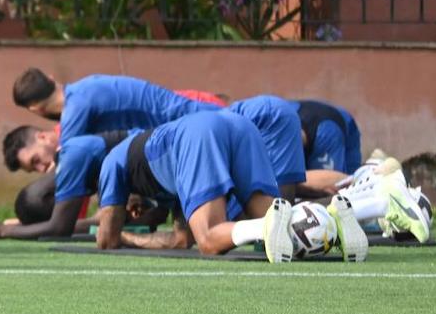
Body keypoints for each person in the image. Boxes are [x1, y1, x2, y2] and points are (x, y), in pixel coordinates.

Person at [92, 110, 369, 262]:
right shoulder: (167, 181)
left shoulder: (112, 162)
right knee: (274, 217)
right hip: (238, 126)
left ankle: (265, 226)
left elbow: (106, 240)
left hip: (197, 134)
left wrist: (124, 234)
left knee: (210, 238)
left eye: (130, 211)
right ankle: (335, 218)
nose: (135, 213)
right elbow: (180, 240)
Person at [0, 128, 148, 240]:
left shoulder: (70, 158)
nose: (42, 168)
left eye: (36, 160)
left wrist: (2, 230)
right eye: (34, 168)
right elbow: (99, 221)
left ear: (49, 196)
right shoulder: (92, 177)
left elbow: (60, 228)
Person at [12, 70, 220, 144]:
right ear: (51, 78)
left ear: (35, 109)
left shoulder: (75, 108)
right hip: (181, 117)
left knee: (237, 122)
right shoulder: (84, 86)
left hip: (181, 119)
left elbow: (70, 159)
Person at [287, 99, 363, 192]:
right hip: (307, 119)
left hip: (332, 128)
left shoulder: (327, 133)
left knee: (350, 189)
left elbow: (339, 183)